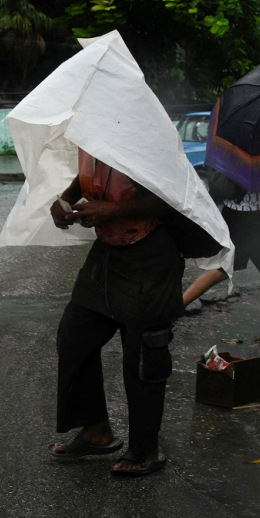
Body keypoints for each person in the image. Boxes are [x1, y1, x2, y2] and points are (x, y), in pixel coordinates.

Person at [49, 149, 185, 477]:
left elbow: (171, 197)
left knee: (142, 355)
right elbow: (88, 177)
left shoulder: (143, 131)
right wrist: (65, 200)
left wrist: (113, 209)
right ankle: (96, 431)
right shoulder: (90, 130)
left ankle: (144, 449)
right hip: (109, 253)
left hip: (151, 254)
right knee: (74, 335)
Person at [181, 186, 260, 351]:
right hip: (258, 216)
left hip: (232, 213)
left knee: (223, 269)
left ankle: (171, 312)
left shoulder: (232, 159)